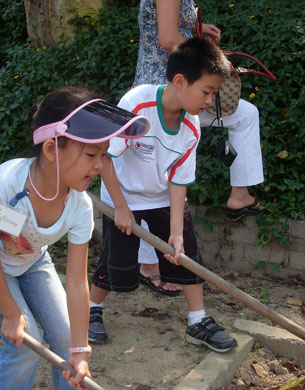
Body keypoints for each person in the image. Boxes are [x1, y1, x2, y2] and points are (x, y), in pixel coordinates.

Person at [0, 87, 149, 390]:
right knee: (24, 342)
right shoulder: (7, 187)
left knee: (65, 337)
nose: (99, 166)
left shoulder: (79, 207)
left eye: (103, 154)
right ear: (50, 150)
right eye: (90, 154)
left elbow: (75, 282)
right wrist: (10, 313)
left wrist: (80, 351)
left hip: (31, 259)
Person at [88, 37, 238, 353]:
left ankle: (197, 321)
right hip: (123, 192)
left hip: (161, 197)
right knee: (118, 259)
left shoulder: (192, 127)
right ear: (180, 82)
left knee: (187, 257)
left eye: (213, 93)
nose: (210, 100)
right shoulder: (137, 103)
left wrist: (175, 233)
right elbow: (107, 158)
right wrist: (121, 208)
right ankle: (91, 309)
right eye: (207, 91)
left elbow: (179, 181)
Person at [134, 0, 264, 288]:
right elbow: (168, 38)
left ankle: (240, 193)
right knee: (154, 178)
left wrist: (196, 28)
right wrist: (213, 60)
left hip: (186, 92)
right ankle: (148, 263)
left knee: (245, 114)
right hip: (163, 93)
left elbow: (166, 25)